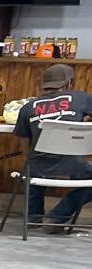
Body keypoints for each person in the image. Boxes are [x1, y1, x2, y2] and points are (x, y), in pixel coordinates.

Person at [11, 62, 92, 231]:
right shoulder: (82, 98)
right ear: (69, 83)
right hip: (74, 164)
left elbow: (25, 143)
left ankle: (33, 217)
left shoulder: (27, 107)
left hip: (39, 165)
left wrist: (31, 159)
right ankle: (57, 217)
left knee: (30, 164)